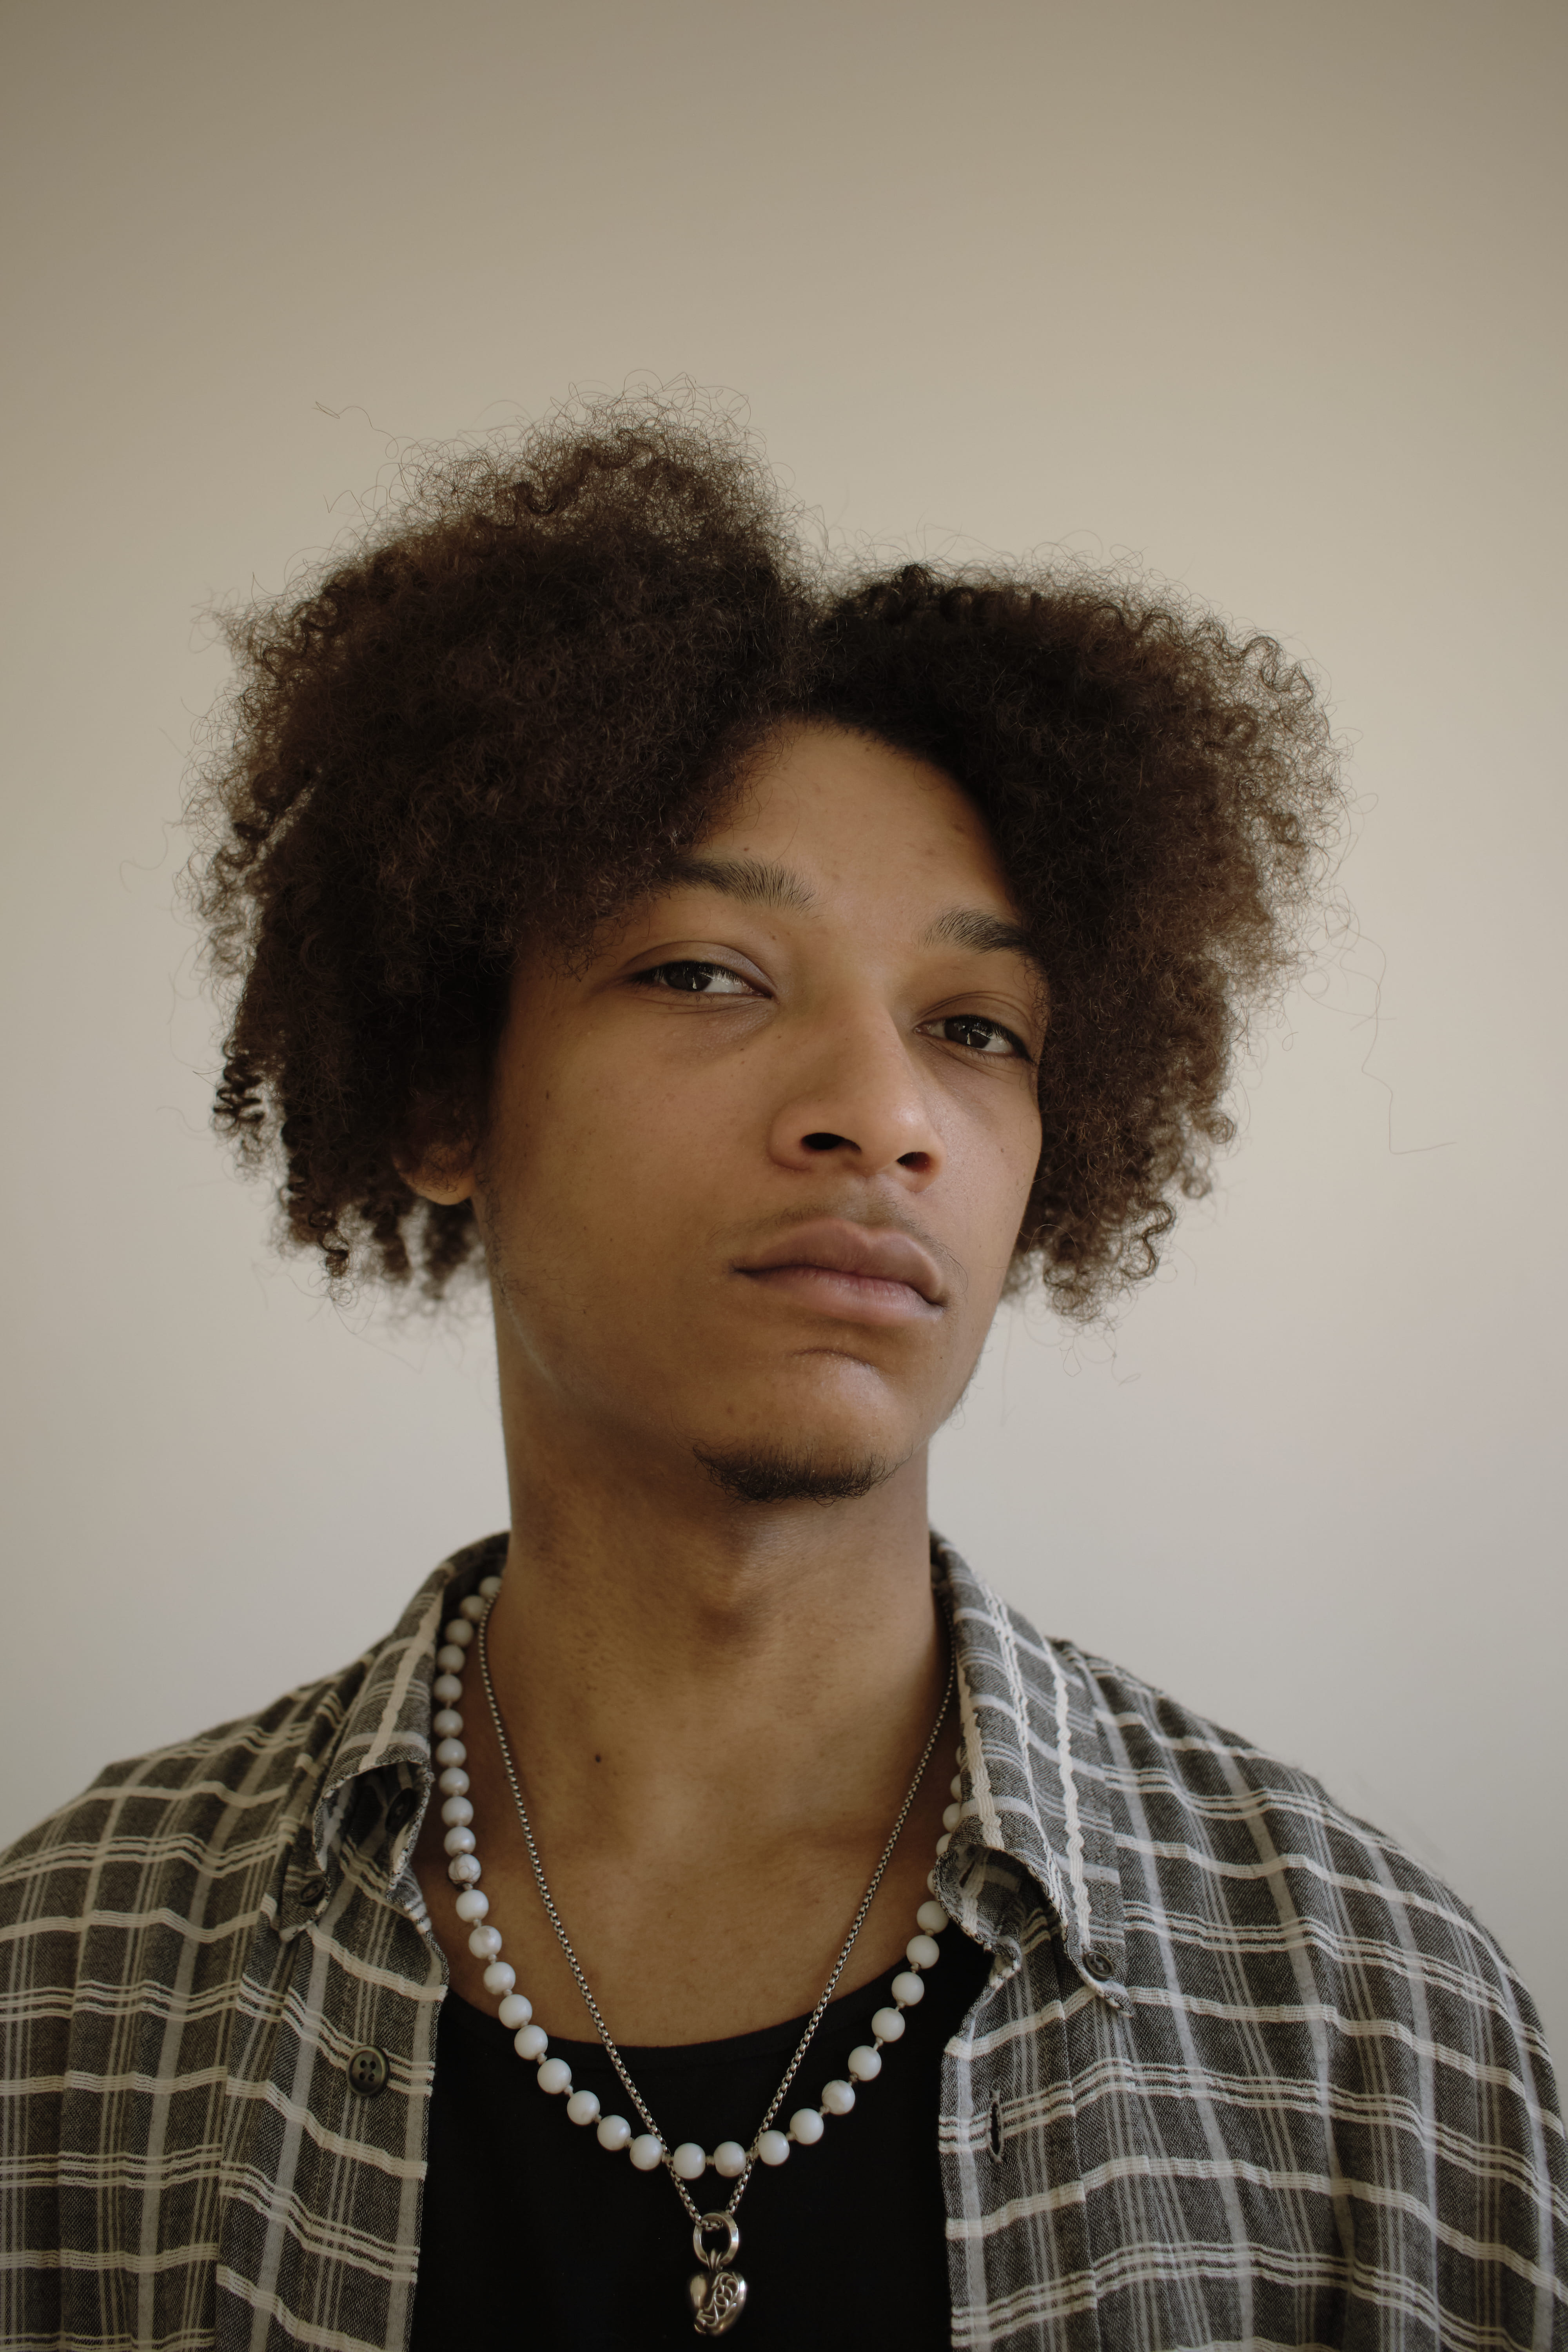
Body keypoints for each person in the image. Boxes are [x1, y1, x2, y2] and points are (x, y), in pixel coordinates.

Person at [2, 397, 1563, 2352]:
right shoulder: (71, 1987)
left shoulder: (1367, 2023)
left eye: (977, 1028)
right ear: (441, 1093)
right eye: (705, 974)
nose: (882, 1113)